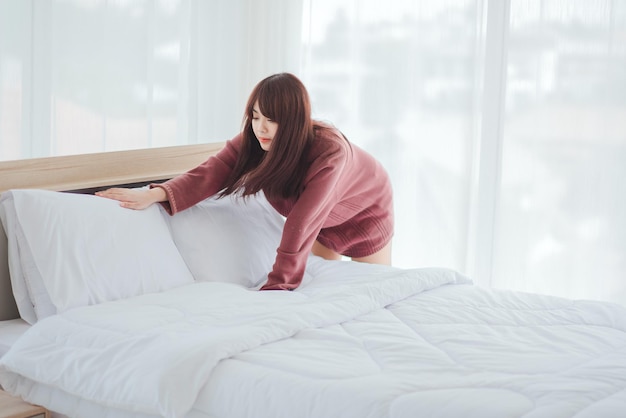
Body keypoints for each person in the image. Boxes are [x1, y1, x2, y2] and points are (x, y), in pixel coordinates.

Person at [97, 73, 393, 290]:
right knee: (331, 290)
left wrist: (277, 287)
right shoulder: (257, 139)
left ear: (294, 121)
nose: (261, 128)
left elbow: (302, 220)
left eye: (272, 119)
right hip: (322, 223)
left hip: (366, 213)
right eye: (255, 116)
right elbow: (213, 170)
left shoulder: (329, 153)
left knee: (378, 292)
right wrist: (157, 194)